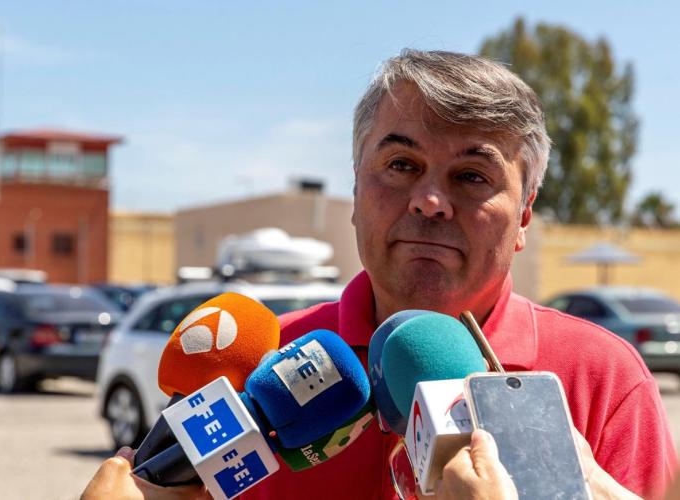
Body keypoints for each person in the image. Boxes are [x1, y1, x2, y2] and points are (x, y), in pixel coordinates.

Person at [81, 49, 677, 499]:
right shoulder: (263, 368)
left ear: (524, 214)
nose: (430, 201)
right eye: (401, 164)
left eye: (472, 176)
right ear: (355, 192)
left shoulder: (603, 381)